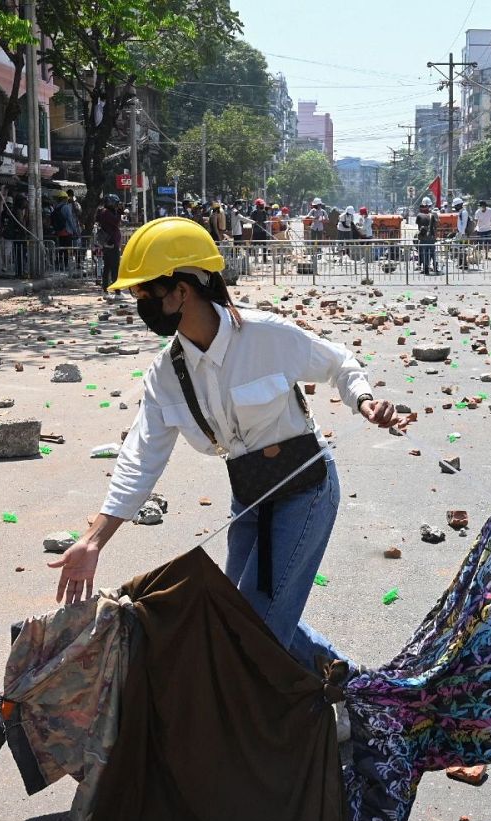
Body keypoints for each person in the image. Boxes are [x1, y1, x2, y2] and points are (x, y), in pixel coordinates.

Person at [48, 217, 406, 678]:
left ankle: (290, 727)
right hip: (250, 497)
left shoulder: (266, 336)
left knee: (251, 631)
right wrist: (94, 541)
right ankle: (351, 682)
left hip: (305, 490)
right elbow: (140, 459)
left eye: (146, 295)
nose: (140, 307)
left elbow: (339, 361)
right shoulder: (166, 376)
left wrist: (364, 400)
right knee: (240, 611)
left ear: (182, 289)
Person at [95, 194, 123, 296]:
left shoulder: (104, 212)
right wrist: (119, 212)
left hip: (109, 243)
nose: (116, 206)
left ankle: (105, 290)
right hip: (111, 244)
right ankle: (117, 292)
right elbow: (116, 221)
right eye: (115, 204)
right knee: (115, 268)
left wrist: (118, 211)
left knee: (107, 267)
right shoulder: (106, 213)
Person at [414, 197, 441, 275]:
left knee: (423, 252)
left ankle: (425, 268)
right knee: (433, 252)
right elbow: (437, 225)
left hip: (423, 237)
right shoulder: (434, 214)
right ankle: (435, 267)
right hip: (432, 236)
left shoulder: (419, 215)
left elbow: (418, 226)